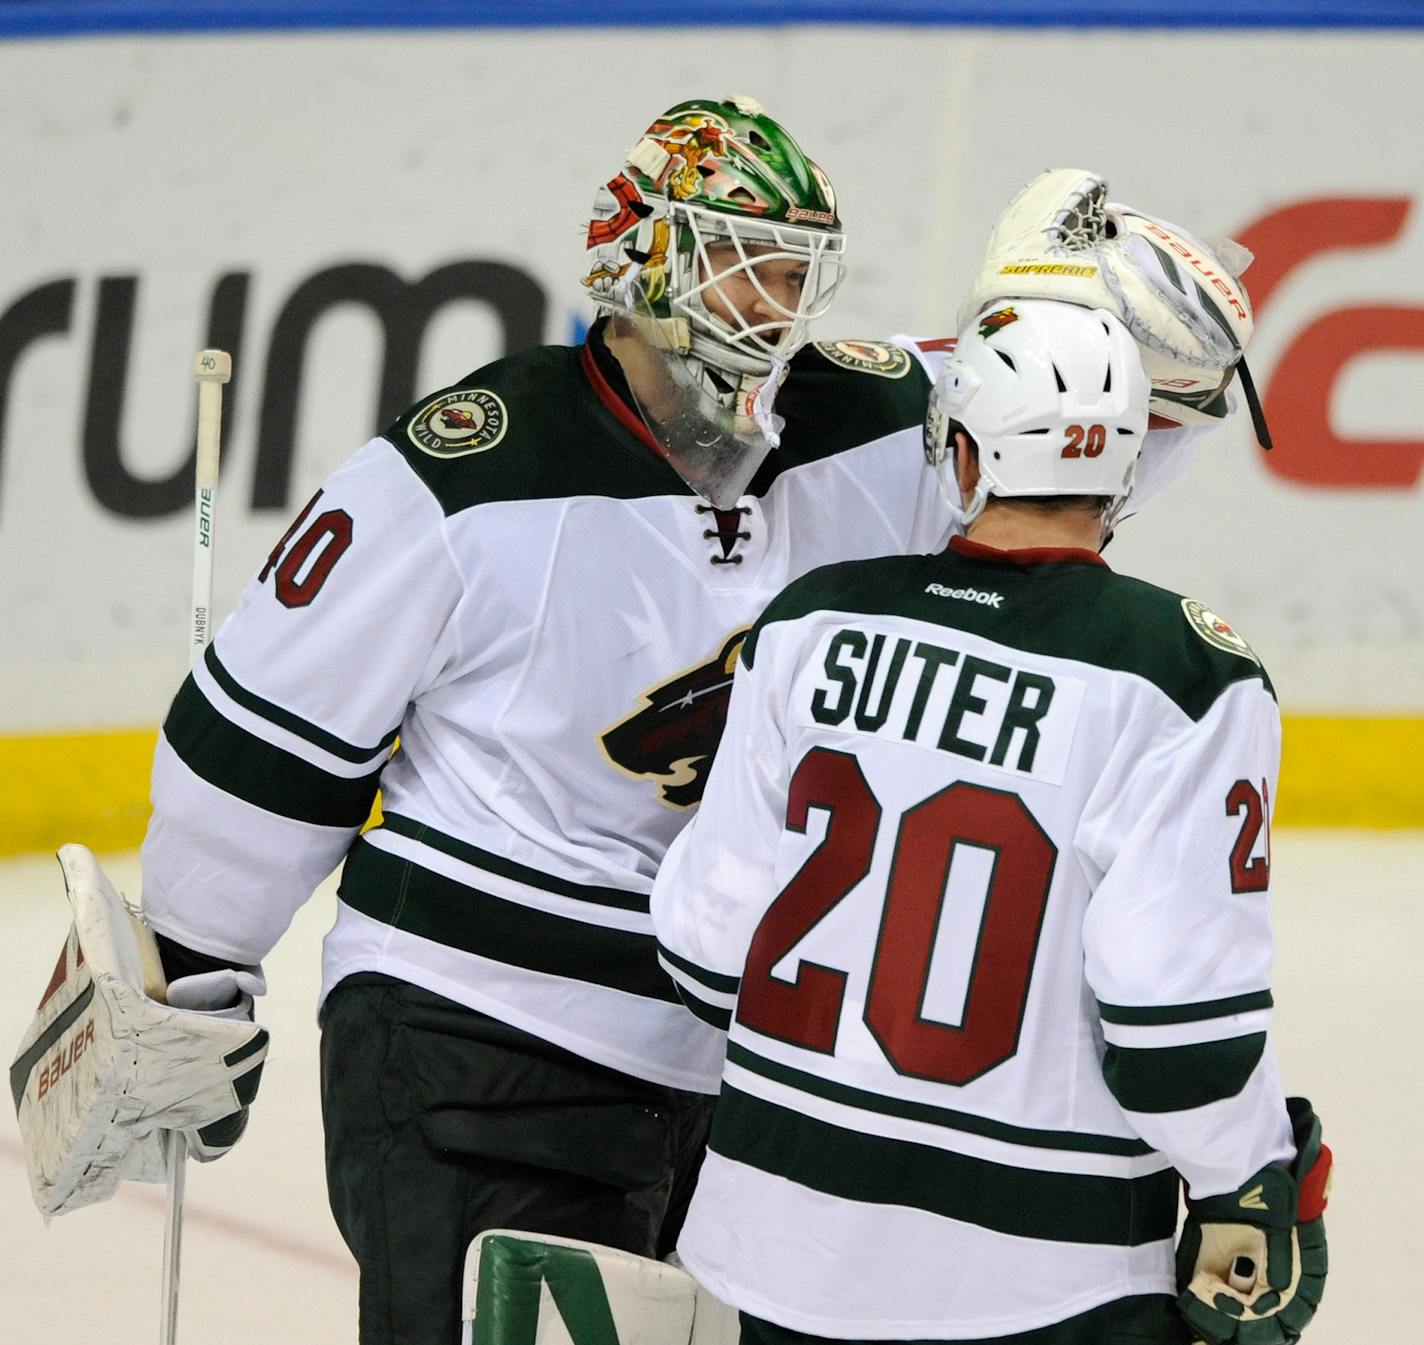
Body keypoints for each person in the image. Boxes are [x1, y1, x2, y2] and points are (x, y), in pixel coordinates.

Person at [128, 98, 1245, 1342]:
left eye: (792, 274)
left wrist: (1140, 348)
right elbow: (261, 749)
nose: (769, 306)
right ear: (639, 257)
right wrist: (192, 970)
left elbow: (1064, 429)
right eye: (738, 263)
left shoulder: (876, 425)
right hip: (477, 1038)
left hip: (739, 1073)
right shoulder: (460, 477)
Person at [649, 298, 1331, 1345]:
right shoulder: (1181, 673)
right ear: (1118, 465)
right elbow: (1171, 1031)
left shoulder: (813, 618)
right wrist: (1251, 1175)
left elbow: (705, 950)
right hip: (1040, 1272)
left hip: (775, 1238)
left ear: (959, 450)